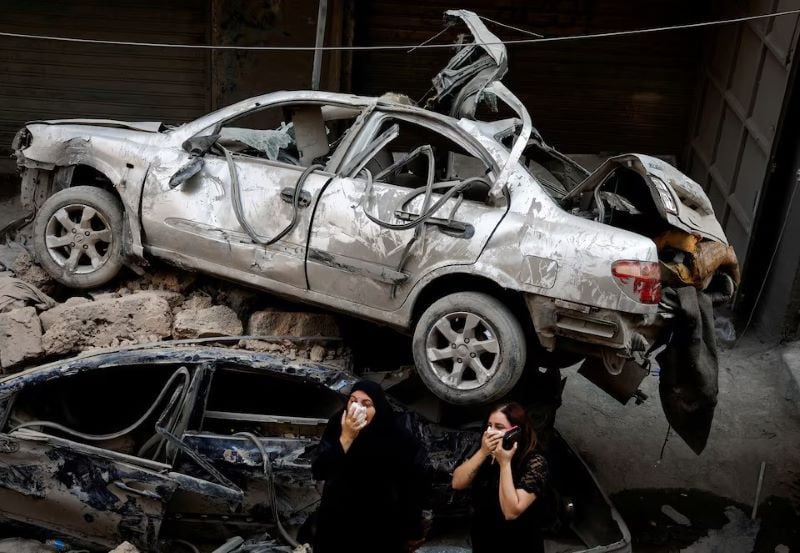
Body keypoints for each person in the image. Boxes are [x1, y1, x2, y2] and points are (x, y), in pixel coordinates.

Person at [312, 380, 428, 553]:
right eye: (353, 401)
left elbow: (411, 490)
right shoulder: (338, 424)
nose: (357, 409)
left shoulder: (397, 436)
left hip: (380, 526)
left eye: (366, 404)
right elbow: (320, 469)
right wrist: (346, 437)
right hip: (337, 523)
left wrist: (412, 530)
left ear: (378, 408)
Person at [451, 402, 550, 553]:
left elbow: (511, 512)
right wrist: (482, 453)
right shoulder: (485, 452)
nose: (491, 432)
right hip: (484, 540)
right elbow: (457, 483)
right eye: (489, 426)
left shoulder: (534, 462)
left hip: (519, 544)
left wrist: (505, 464)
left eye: (499, 427)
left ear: (516, 432)